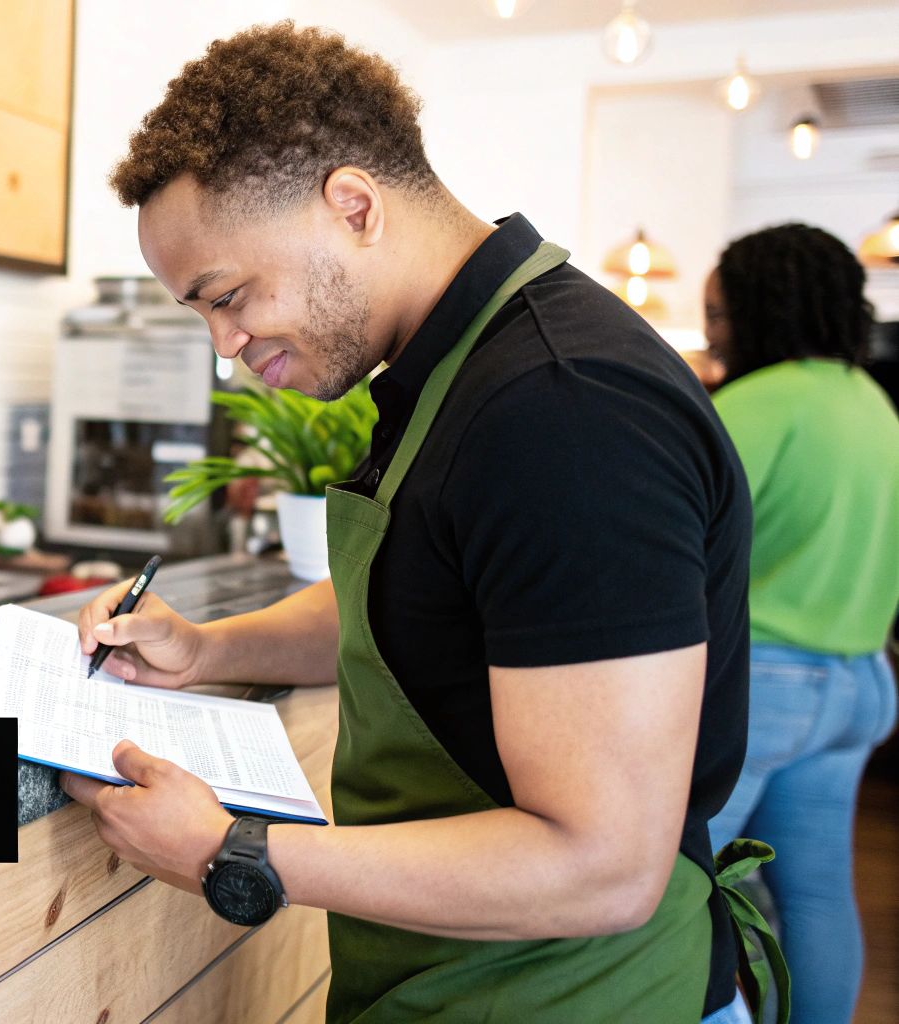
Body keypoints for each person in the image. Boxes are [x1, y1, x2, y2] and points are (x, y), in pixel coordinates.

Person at [59, 22, 768, 1023]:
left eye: (229, 297)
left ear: (351, 207)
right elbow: (427, 594)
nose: (224, 346)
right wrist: (206, 645)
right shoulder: (457, 367)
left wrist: (231, 849)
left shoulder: (561, 413)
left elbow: (600, 867)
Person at [701, 223, 899, 1024]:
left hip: (767, 687)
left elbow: (678, 528)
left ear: (758, 305)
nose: (711, 331)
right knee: (816, 896)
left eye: (717, 312)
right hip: (862, 683)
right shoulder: (873, 403)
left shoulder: (756, 401)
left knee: (664, 888)